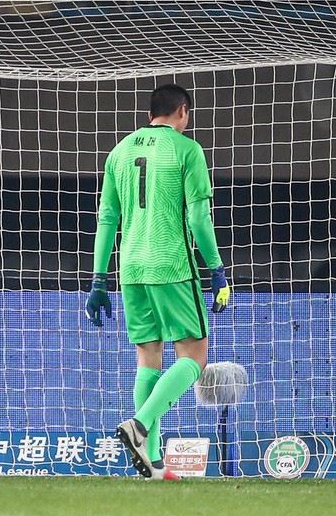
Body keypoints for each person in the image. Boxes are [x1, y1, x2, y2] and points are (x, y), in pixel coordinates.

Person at [85, 83, 230, 480]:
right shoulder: (187, 150)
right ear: (182, 111)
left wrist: (99, 279)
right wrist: (217, 269)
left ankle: (152, 463)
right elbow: (198, 218)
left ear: (151, 113)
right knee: (194, 358)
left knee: (148, 357)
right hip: (172, 265)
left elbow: (107, 219)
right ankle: (140, 423)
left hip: (131, 269)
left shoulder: (119, 151)